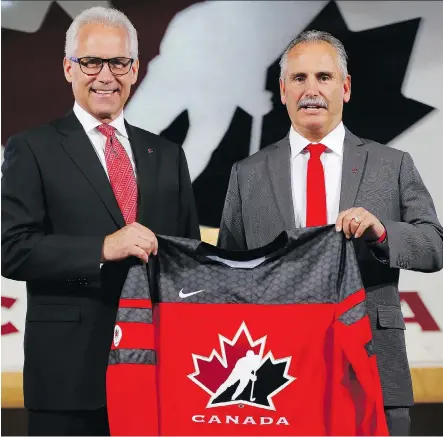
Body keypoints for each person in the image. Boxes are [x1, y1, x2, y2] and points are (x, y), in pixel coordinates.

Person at [217, 30, 443, 436]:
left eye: (324, 76)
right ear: (283, 90)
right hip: (274, 377)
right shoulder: (247, 174)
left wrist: (382, 233)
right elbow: (226, 274)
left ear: (346, 87)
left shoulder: (392, 164)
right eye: (299, 79)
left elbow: (434, 246)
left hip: (373, 368)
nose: (312, 90)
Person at [1, 6, 200, 436]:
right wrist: (102, 248)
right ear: (68, 68)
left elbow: (189, 261)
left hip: (158, 370)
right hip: (67, 377)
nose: (105, 75)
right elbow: (12, 249)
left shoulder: (167, 155)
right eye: (91, 62)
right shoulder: (32, 148)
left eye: (118, 62)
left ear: (134, 70)